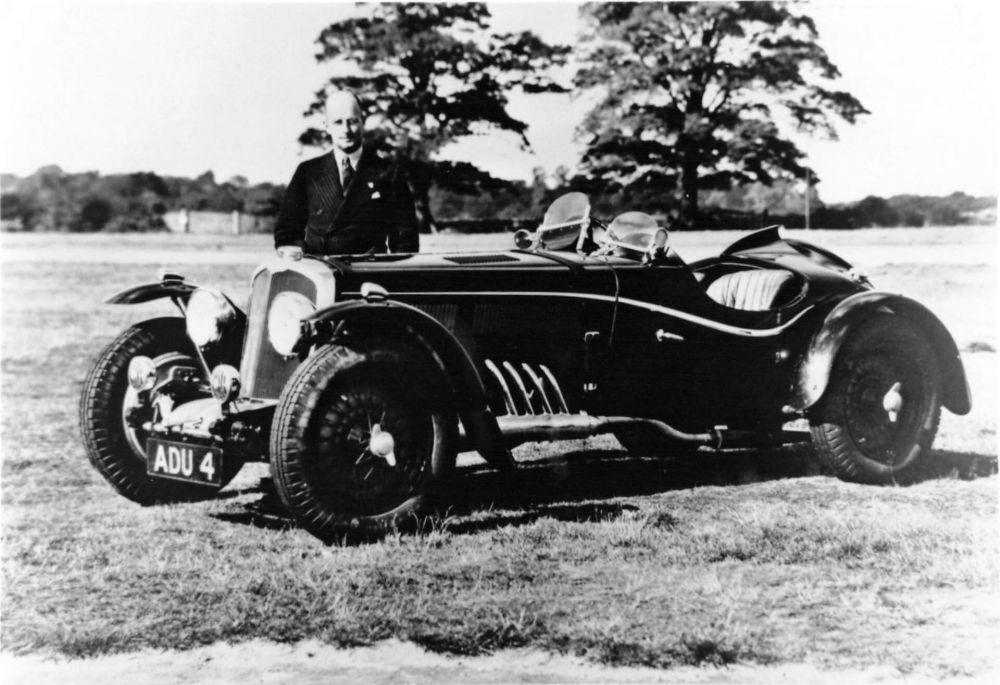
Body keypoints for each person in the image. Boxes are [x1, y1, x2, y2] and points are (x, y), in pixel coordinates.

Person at [274, 90, 419, 259]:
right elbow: (287, 230)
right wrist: (296, 254)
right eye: (338, 122)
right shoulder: (308, 172)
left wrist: (394, 269)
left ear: (363, 122)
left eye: (352, 121)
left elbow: (405, 239)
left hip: (369, 269)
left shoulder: (388, 173)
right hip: (321, 268)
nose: (346, 130)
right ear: (326, 126)